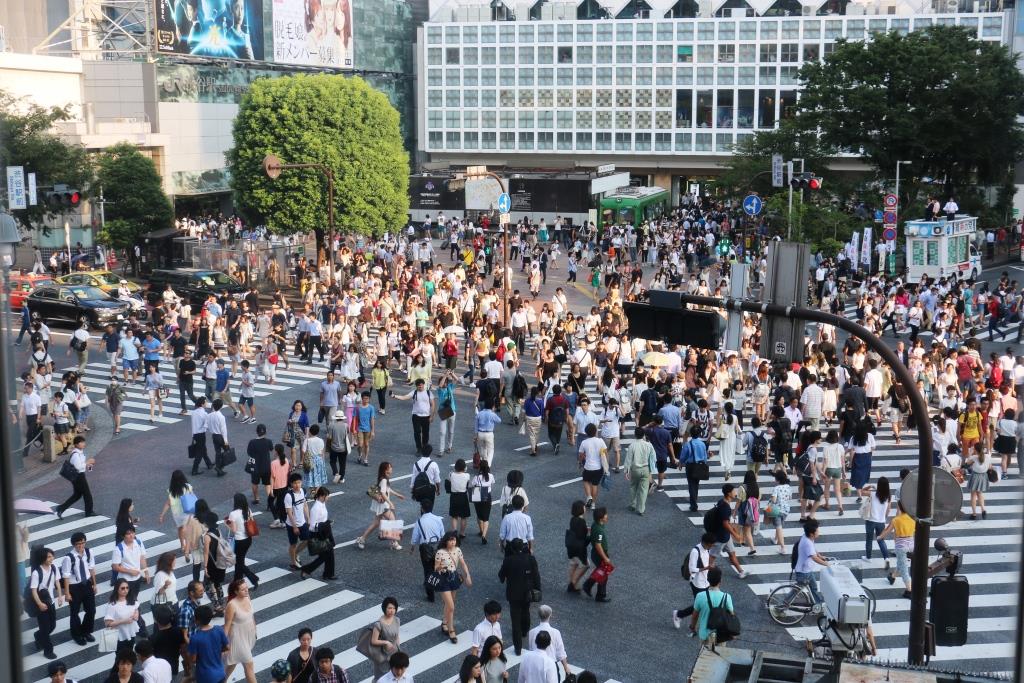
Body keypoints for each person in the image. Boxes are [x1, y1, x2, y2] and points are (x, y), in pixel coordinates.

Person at [498, 539, 541, 655]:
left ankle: (518, 648)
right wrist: (538, 589)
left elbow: (501, 575)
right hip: (527, 591)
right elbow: (536, 575)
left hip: (513, 593)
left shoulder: (508, 560)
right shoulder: (530, 559)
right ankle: (525, 631)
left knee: (515, 620)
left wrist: (504, 578)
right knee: (526, 610)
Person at [434, 530, 473, 643]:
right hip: (443, 580)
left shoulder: (458, 550)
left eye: (454, 540)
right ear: (446, 541)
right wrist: (441, 568)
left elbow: (463, 563)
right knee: (451, 606)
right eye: (450, 540)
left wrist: (468, 576)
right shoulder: (440, 552)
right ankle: (451, 630)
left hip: (454, 578)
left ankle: (444, 622)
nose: (453, 542)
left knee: (449, 603)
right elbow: (435, 568)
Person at [61, 531, 97, 646]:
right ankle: (77, 635)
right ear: (73, 544)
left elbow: (91, 568)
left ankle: (86, 631)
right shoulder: (68, 558)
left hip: (87, 583)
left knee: (91, 610)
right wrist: (67, 593)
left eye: (83, 543)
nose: (81, 546)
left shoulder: (89, 552)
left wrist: (94, 584)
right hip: (74, 587)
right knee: (75, 612)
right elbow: (66, 576)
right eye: (78, 544)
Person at [673, 531, 715, 630]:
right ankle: (679, 614)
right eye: (711, 545)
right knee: (700, 605)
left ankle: (680, 615)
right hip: (697, 583)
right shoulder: (695, 551)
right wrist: (706, 568)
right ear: (706, 542)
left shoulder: (706, 550)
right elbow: (692, 569)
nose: (711, 547)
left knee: (703, 604)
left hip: (705, 581)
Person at [358, 461, 404, 550]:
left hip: (381, 504)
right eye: (390, 467)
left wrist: (397, 495)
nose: (391, 468)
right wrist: (390, 503)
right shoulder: (384, 480)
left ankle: (362, 539)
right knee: (392, 520)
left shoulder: (384, 478)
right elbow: (383, 493)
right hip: (383, 505)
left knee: (376, 523)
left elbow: (388, 489)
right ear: (385, 469)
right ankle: (394, 542)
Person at [877, 502, 915, 599]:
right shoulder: (912, 518)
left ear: (899, 508)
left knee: (904, 569)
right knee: (901, 563)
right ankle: (892, 576)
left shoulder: (896, 520)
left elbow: (887, 531)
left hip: (901, 546)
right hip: (911, 544)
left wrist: (880, 537)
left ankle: (909, 590)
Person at [29, 546, 62, 659]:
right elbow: (33, 590)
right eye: (49, 557)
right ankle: (48, 651)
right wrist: (39, 604)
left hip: (50, 601)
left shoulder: (54, 568)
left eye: (52, 556)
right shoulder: (37, 573)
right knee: (45, 628)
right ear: (43, 558)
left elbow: (57, 581)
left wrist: (60, 596)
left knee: (52, 626)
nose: (51, 558)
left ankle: (38, 636)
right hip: (41, 604)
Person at [690, 567, 735, 648]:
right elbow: (732, 616)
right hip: (721, 635)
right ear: (720, 580)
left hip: (705, 635)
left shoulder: (700, 596)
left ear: (707, 580)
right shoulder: (726, 597)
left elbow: (695, 616)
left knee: (704, 658)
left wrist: (693, 627)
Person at [411, 499, 445, 602]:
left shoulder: (419, 521)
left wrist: (412, 548)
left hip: (425, 549)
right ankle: (440, 585)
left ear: (422, 508)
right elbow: (442, 534)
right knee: (438, 567)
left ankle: (430, 595)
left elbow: (415, 538)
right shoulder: (438, 519)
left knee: (427, 570)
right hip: (438, 547)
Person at [223, 579, 257, 682]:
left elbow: (251, 616)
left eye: (246, 588)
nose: (246, 591)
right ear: (236, 592)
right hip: (237, 639)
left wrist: (255, 630)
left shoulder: (247, 597)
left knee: (233, 662)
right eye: (243, 589)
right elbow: (227, 626)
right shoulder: (231, 605)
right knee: (249, 665)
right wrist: (224, 643)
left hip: (248, 635)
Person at [300, 486, 337, 580]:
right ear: (322, 496)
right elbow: (312, 526)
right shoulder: (316, 508)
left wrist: (327, 523)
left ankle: (328, 574)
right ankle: (306, 570)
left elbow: (322, 519)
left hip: (324, 532)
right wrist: (325, 524)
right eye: (327, 496)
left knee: (329, 553)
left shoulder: (322, 504)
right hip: (318, 535)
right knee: (324, 556)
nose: (328, 497)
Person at [392, 378, 435, 455]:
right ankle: (419, 448)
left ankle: (424, 447)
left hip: (426, 416)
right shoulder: (414, 392)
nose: (420, 387)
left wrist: (432, 416)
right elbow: (404, 397)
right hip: (416, 416)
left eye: (421, 386)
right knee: (417, 432)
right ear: (416, 386)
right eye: (419, 386)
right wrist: (394, 396)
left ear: (424, 385)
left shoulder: (429, 393)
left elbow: (433, 405)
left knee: (426, 433)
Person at [55, 435, 95, 518]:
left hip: (78, 476)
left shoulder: (80, 453)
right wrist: (87, 462)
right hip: (79, 477)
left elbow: (81, 465)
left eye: (84, 442)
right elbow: (78, 467)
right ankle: (89, 512)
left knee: (77, 495)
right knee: (87, 495)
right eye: (81, 442)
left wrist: (89, 465)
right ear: (76, 444)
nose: (83, 444)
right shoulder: (76, 455)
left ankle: (61, 508)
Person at [527, 605, 571, 680]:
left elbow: (531, 649)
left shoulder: (532, 632)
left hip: (535, 664)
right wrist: (566, 667)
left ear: (539, 615)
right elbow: (561, 653)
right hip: (551, 665)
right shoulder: (556, 632)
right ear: (550, 615)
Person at [225, 493, 260, 589]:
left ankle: (253, 578)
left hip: (239, 540)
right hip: (248, 539)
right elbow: (251, 521)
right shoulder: (247, 510)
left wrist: (227, 524)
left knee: (239, 562)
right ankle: (237, 580)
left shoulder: (233, 514)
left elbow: (234, 530)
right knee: (240, 560)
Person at [187, 605, 229, 683]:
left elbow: (193, 659)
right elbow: (227, 647)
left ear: (197, 620)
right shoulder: (219, 629)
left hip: (205, 677)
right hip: (220, 673)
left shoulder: (195, 638)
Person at [365, 597, 402, 680]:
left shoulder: (397, 620)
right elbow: (373, 641)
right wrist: (386, 642)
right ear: (384, 608)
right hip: (382, 654)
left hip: (394, 651)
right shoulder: (379, 624)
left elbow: (397, 636)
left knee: (394, 675)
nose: (392, 610)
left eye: (394, 608)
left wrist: (398, 649)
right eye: (389, 608)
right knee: (382, 676)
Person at [623, 427, 656, 514]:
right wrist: (651, 469)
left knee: (633, 487)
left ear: (635, 435)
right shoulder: (649, 445)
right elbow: (653, 457)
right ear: (644, 435)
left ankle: (633, 505)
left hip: (635, 469)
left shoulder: (632, 445)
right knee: (644, 490)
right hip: (645, 469)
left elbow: (628, 459)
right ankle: (641, 509)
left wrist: (626, 470)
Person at [581, 506, 612, 602]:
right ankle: (600, 595)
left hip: (595, 553)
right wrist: (605, 558)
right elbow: (598, 545)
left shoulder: (596, 524)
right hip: (600, 554)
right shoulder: (599, 529)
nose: (607, 516)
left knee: (601, 571)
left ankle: (588, 585)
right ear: (601, 518)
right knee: (603, 574)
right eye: (605, 515)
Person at [105, 578, 141, 653]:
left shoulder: (131, 598)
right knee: (120, 658)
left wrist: (136, 614)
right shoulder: (112, 605)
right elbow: (108, 624)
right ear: (117, 589)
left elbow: (136, 608)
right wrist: (124, 621)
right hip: (120, 637)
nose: (126, 590)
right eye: (122, 588)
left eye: (127, 588)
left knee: (130, 653)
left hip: (131, 633)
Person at [678, 426, 709, 512]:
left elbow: (683, 456)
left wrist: (680, 463)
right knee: (696, 484)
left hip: (690, 466)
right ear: (699, 434)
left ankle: (693, 504)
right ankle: (694, 500)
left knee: (691, 485)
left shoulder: (688, 444)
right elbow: (705, 456)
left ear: (691, 434)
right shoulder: (702, 444)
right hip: (699, 465)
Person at [862, 477, 892, 565]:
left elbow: (861, 491)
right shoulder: (888, 497)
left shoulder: (872, 494)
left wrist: (869, 486)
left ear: (878, 486)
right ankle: (886, 558)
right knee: (881, 539)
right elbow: (888, 510)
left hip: (871, 520)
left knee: (869, 539)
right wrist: (884, 518)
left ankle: (868, 557)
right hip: (881, 521)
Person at [285, 472, 311, 567]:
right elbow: (289, 512)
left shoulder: (303, 491)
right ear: (291, 484)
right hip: (292, 525)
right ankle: (293, 563)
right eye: (295, 483)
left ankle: (296, 553)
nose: (297, 485)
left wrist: (308, 519)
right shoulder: (288, 496)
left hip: (302, 522)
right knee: (293, 544)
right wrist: (295, 527)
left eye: (299, 482)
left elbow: (305, 505)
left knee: (307, 540)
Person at [565, 500, 589, 593]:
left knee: (573, 563)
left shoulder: (573, 519)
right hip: (579, 549)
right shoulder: (581, 521)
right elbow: (582, 536)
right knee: (585, 565)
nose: (585, 508)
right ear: (581, 509)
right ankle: (573, 584)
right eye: (584, 507)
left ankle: (572, 583)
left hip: (571, 546)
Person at [469, 460, 496, 544]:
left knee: (479, 515)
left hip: (477, 496)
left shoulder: (476, 477)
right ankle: (484, 535)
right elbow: (492, 483)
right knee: (486, 518)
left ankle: (481, 531)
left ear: (480, 467)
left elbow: (471, 485)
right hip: (487, 497)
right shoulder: (491, 476)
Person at [767, 470, 793, 554]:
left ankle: (783, 547)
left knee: (779, 527)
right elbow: (790, 498)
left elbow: (774, 500)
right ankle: (775, 539)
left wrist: (771, 499)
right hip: (786, 510)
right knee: (779, 526)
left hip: (777, 510)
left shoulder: (776, 488)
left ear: (777, 479)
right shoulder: (789, 487)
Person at [964, 444, 991, 519]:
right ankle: (983, 509)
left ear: (975, 450)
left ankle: (974, 513)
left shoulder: (974, 458)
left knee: (973, 495)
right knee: (980, 493)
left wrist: (969, 454)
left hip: (975, 476)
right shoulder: (988, 457)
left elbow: (966, 465)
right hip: (983, 476)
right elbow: (990, 467)